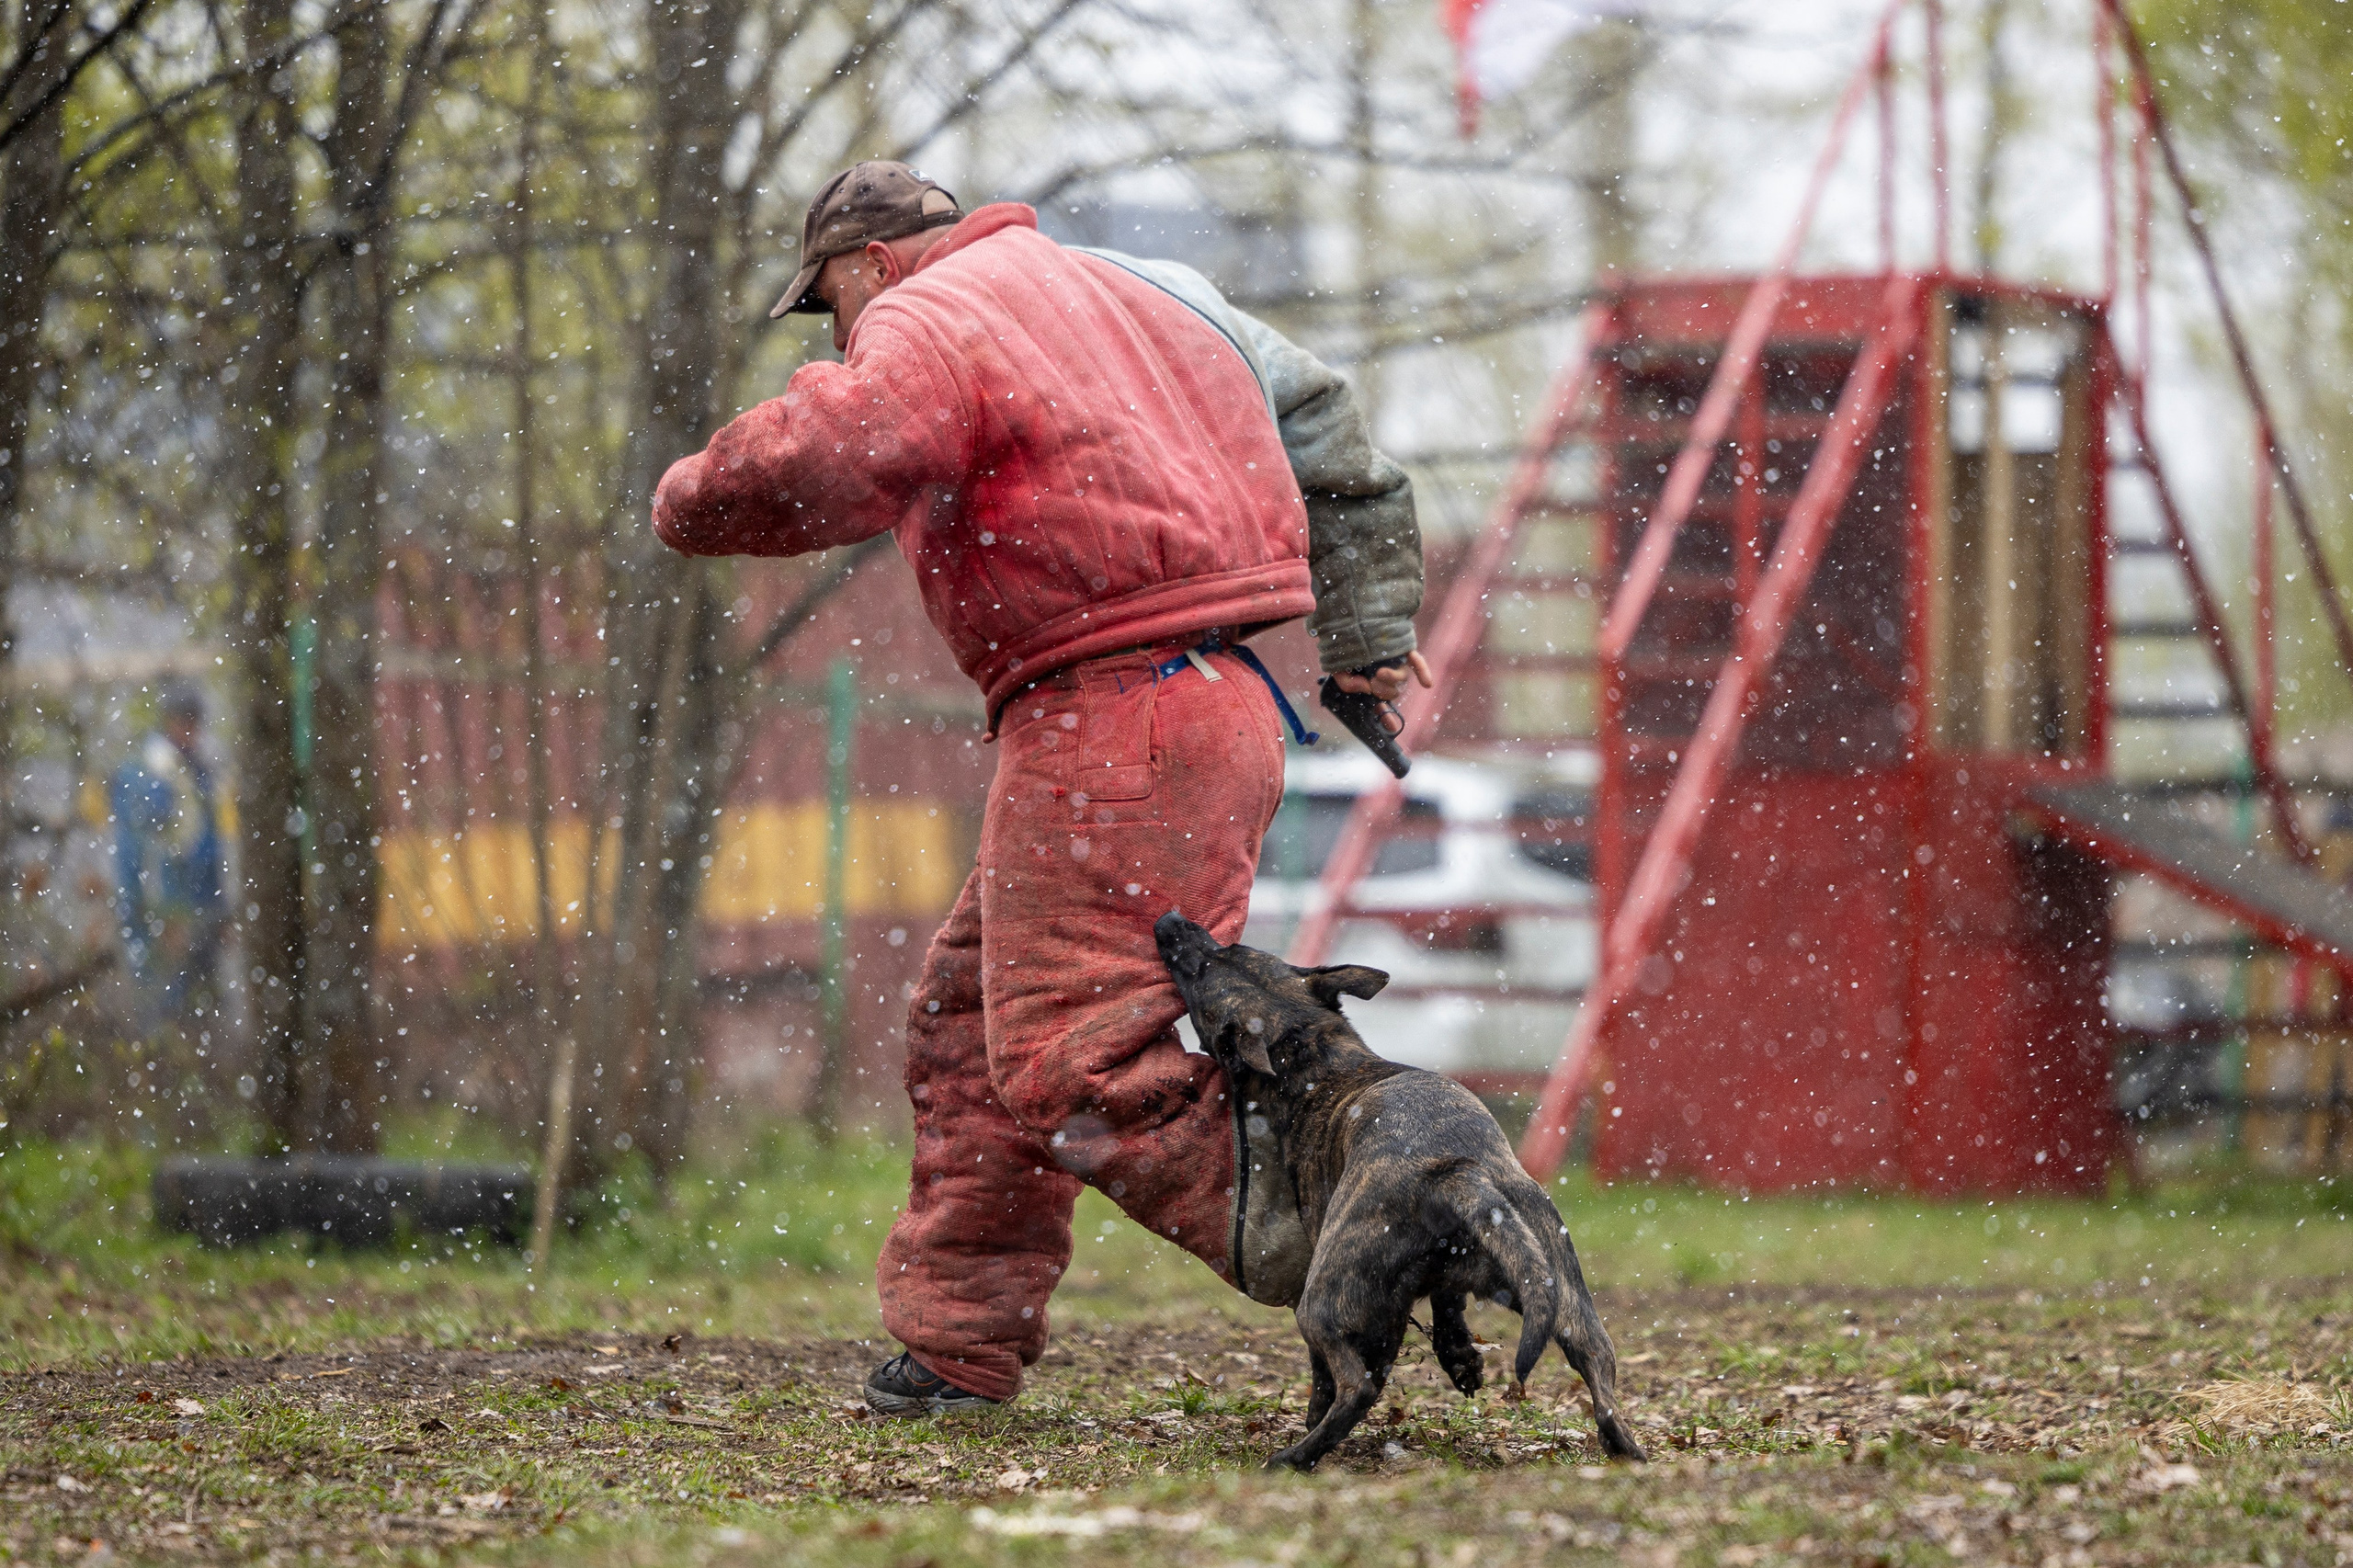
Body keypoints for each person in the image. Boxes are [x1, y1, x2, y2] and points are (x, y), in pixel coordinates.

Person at [654, 161, 1431, 1415]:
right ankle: (960, 1345)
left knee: (1074, 1057)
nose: (845, 333)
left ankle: (1376, 1229)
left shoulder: (932, 309)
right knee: (972, 1026)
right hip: (1212, 699)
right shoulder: (1157, 291)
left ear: (867, 263)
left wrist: (690, 497)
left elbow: (851, 440)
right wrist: (1367, 638)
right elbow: (1336, 432)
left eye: (832, 305)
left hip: (1116, 711)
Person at [110, 682, 225, 1035]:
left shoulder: (198, 771)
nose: (190, 731)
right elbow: (139, 853)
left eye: (195, 722)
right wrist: (153, 913)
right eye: (184, 721)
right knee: (162, 1006)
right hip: (165, 906)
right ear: (169, 721)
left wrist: (217, 908)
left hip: (199, 904)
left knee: (202, 1006)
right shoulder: (147, 773)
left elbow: (207, 844)